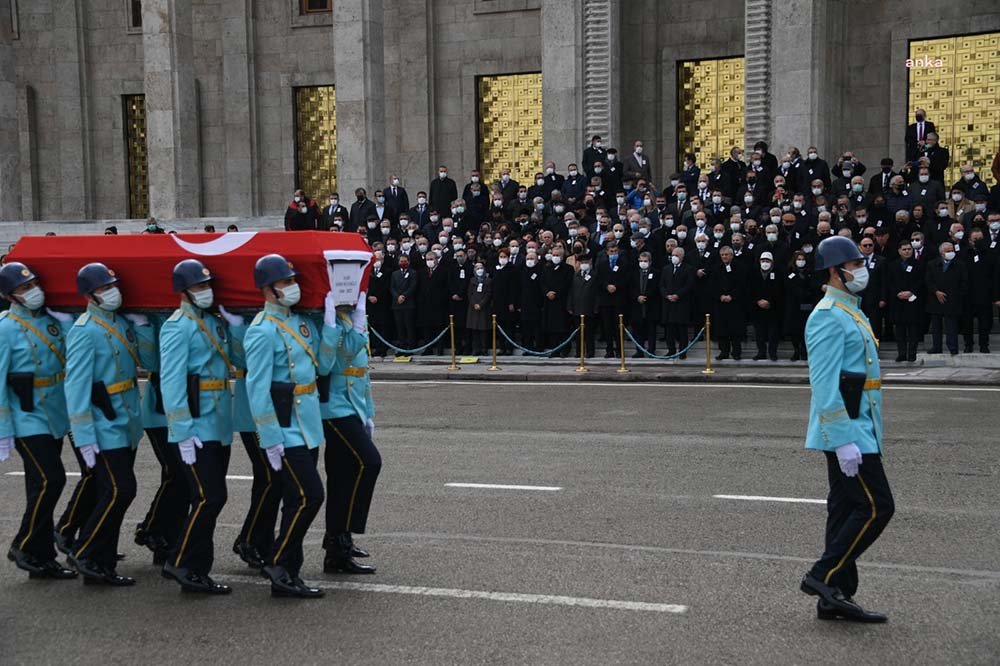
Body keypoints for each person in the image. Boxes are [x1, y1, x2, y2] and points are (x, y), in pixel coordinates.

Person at [800, 235, 894, 623]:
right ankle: (823, 576)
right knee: (877, 506)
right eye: (854, 265)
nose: (861, 269)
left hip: (861, 423)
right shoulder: (826, 315)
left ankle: (834, 596)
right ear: (836, 272)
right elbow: (823, 384)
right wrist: (842, 441)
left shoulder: (850, 310)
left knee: (843, 508)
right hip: (848, 429)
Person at [243, 254, 338, 598]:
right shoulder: (261, 331)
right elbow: (256, 388)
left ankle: (288, 575)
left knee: (294, 499)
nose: (292, 287)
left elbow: (323, 367)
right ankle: (279, 563)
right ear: (268, 290)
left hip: (308, 424)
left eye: (293, 280)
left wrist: (331, 325)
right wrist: (268, 437)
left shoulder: (301, 324)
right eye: (285, 283)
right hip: (284, 430)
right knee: (311, 496)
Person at [64, 263, 155, 585]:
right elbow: (75, 386)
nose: (112, 292)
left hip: (125, 419)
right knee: (121, 489)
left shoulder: (121, 323)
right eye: (104, 289)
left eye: (113, 286)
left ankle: (101, 565)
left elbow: (150, 362)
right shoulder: (84, 330)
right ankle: (86, 552)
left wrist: (143, 326)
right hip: (101, 423)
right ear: (90, 295)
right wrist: (83, 434)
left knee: (111, 490)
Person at [158, 260, 245, 594]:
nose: (205, 292)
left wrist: (235, 326)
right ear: (184, 292)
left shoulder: (215, 322)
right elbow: (171, 382)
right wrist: (181, 430)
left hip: (219, 423)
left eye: (208, 286)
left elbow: (237, 360)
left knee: (209, 497)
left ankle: (195, 569)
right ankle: (181, 562)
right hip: (195, 426)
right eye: (198, 287)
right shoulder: (177, 327)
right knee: (210, 496)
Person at [0, 263, 77, 580]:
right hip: (26, 415)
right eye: (23, 288)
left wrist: (69, 321)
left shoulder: (52, 321)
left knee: (38, 485)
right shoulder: (5, 328)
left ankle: (41, 556)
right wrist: (4, 431)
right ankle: (24, 545)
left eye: (33, 284)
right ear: (9, 296)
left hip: (54, 411)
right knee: (51, 479)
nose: (32, 291)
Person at [318, 292, 381, 575]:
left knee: (342, 477)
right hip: (332, 407)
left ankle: (337, 546)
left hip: (352, 406)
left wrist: (368, 411)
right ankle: (341, 537)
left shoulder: (349, 317)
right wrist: (340, 327)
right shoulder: (327, 320)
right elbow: (330, 365)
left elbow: (362, 370)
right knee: (368, 462)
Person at [132, 309, 185, 567]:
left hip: (188, 410)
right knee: (177, 472)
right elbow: (151, 362)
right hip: (159, 409)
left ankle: (164, 538)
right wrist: (143, 324)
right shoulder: (157, 318)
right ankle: (154, 530)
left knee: (180, 477)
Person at [884, 239, 925, 362]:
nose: (907, 251)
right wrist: (897, 293)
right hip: (898, 301)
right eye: (904, 249)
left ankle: (912, 353)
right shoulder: (892, 265)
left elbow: (921, 281)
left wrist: (911, 292)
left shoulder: (919, 264)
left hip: (913, 301)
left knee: (913, 330)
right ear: (899, 251)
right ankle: (901, 353)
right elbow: (889, 282)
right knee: (900, 330)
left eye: (909, 249)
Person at [924, 242, 967, 355]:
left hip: (952, 299)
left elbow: (964, 282)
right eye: (947, 251)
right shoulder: (932, 264)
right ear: (941, 253)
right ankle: (936, 347)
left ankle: (953, 347)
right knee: (936, 325)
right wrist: (936, 292)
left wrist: (956, 295)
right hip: (935, 299)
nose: (950, 253)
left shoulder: (960, 265)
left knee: (951, 326)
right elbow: (928, 281)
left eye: (952, 250)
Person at [707, 247, 748, 360]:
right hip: (720, 304)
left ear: (732, 255)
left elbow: (742, 285)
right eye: (722, 255)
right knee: (721, 329)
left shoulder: (740, 268)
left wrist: (732, 296)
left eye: (726, 254)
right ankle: (724, 352)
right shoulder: (716, 268)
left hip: (735, 304)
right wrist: (720, 296)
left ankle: (736, 352)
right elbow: (711, 286)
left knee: (735, 329)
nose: (724, 257)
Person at [749, 251, 784, 361]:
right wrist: (758, 301)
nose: (765, 263)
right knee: (759, 332)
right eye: (763, 261)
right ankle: (761, 352)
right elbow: (749, 290)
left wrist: (770, 302)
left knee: (773, 332)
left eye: (767, 261)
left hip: (773, 308)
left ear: (772, 262)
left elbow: (781, 291)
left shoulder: (778, 273)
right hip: (757, 308)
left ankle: (773, 353)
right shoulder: (753, 274)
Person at [567, 255, 598, 358]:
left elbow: (597, 293)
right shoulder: (576, 276)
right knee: (578, 332)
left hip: (589, 308)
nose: (584, 264)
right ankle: (579, 352)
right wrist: (570, 306)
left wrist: (595, 308)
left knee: (589, 332)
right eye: (582, 262)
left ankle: (590, 352)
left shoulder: (594, 275)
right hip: (577, 308)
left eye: (586, 262)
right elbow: (571, 292)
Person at [390, 255, 418, 354]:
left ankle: (411, 347)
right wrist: (397, 296)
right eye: (401, 261)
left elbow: (413, 286)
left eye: (405, 261)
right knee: (400, 326)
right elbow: (392, 288)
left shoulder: (413, 273)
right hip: (397, 304)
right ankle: (402, 346)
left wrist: (404, 296)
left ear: (408, 262)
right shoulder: (394, 274)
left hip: (408, 303)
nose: (403, 263)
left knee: (409, 326)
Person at [466, 262, 492, 355]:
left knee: (483, 330)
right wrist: (474, 304)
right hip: (473, 308)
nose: (479, 270)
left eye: (481, 268)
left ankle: (484, 349)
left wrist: (481, 304)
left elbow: (488, 294)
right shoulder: (472, 280)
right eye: (477, 268)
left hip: (483, 308)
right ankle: (475, 349)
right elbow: (469, 294)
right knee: (474, 330)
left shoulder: (488, 281)